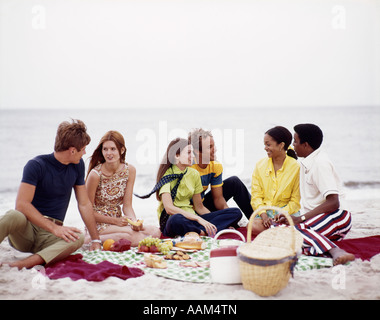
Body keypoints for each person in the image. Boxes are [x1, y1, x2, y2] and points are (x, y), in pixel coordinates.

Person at [0, 119, 101, 269]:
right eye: (83, 149)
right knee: (13, 215)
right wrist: (54, 228)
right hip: (26, 232)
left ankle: (23, 264)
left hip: (49, 239)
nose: (85, 152)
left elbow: (84, 203)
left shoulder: (77, 166)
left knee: (78, 237)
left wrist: (95, 240)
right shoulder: (36, 165)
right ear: (73, 150)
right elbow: (21, 204)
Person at [137, 138, 242, 238]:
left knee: (235, 212)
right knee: (176, 219)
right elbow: (169, 209)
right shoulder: (166, 176)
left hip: (192, 220)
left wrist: (208, 222)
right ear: (177, 156)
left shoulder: (194, 174)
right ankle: (201, 232)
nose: (192, 156)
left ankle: (203, 230)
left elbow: (199, 207)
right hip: (174, 221)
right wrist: (198, 219)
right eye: (188, 153)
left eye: (192, 152)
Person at [283, 123, 355, 266]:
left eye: (295, 142)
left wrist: (300, 218)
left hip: (337, 217)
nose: (293, 145)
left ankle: (336, 251)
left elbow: (334, 202)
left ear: (306, 145)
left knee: (293, 232)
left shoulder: (320, 163)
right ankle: (317, 245)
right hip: (317, 218)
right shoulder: (307, 160)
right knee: (280, 230)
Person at [86, 131, 161, 246]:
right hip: (99, 223)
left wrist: (134, 223)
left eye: (113, 149)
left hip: (119, 220)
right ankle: (91, 238)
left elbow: (127, 206)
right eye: (105, 149)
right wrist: (115, 221)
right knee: (136, 238)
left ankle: (120, 235)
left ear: (121, 150)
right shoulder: (95, 175)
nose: (108, 153)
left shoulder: (130, 170)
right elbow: (87, 212)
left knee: (155, 232)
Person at [188, 128, 252, 221]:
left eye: (214, 146)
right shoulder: (189, 168)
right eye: (209, 147)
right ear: (197, 151)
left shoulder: (215, 166)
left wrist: (229, 216)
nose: (215, 150)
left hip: (202, 206)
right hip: (188, 211)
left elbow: (218, 199)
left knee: (234, 182)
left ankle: (257, 219)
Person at [250, 126, 301, 235]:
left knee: (296, 226)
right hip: (265, 213)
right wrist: (264, 215)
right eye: (265, 145)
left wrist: (281, 214)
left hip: (287, 213)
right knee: (252, 226)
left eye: (268, 144)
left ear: (281, 145)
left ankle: (276, 231)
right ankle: (279, 231)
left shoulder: (296, 167)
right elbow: (256, 196)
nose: (265, 148)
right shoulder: (260, 165)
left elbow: (295, 201)